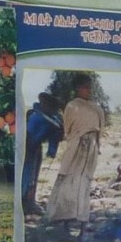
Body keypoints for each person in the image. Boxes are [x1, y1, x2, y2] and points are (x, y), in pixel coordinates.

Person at [50, 79, 106, 234]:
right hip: (75, 147)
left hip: (91, 148)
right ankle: (66, 225)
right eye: (84, 87)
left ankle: (82, 227)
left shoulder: (96, 108)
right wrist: (77, 140)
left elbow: (100, 129)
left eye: (89, 87)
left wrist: (95, 145)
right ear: (78, 88)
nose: (88, 90)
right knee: (69, 182)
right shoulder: (72, 106)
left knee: (85, 184)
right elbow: (68, 130)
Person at [21, 92, 62, 213]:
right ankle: (26, 202)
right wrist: (52, 151)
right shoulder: (45, 119)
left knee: (30, 174)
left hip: (31, 147)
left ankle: (27, 200)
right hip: (30, 148)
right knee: (29, 174)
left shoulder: (36, 115)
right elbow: (55, 136)